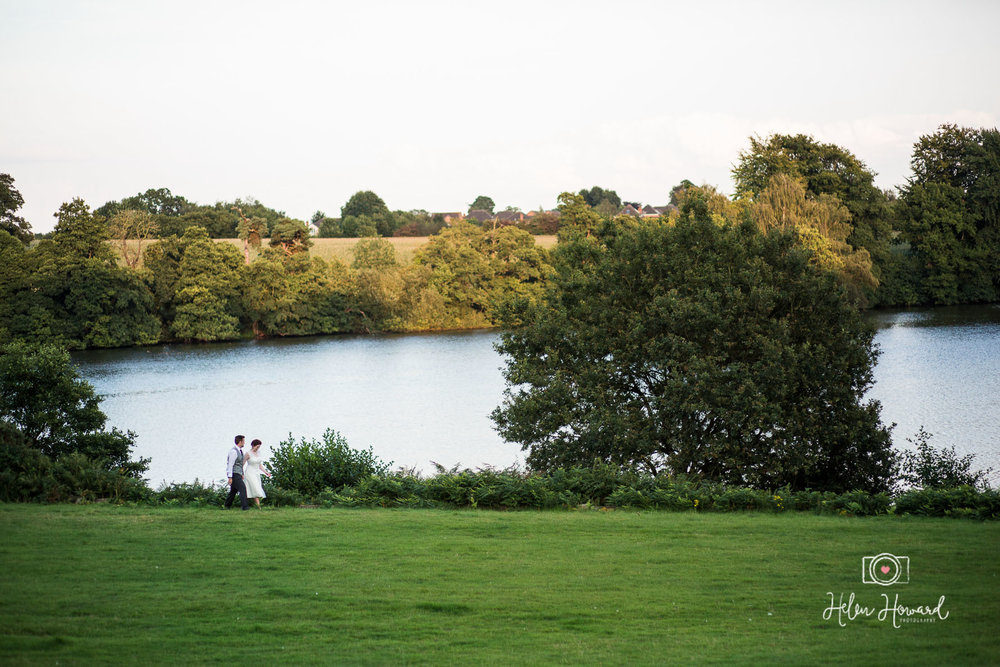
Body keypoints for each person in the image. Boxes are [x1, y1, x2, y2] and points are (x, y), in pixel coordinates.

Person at [243, 438, 272, 508]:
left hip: (256, 473)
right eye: (257, 447)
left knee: (256, 488)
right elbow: (242, 464)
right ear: (253, 445)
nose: (258, 448)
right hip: (250, 472)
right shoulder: (248, 453)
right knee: (255, 488)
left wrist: (266, 472)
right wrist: (242, 473)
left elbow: (259, 464)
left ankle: (256, 505)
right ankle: (258, 506)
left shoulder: (258, 453)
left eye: (259, 447)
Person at [224, 434, 249, 510]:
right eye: (243, 441)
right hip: (234, 474)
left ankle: (227, 506)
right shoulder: (234, 452)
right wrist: (230, 477)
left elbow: (240, 464)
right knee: (242, 489)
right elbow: (230, 465)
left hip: (238, 473)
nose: (244, 443)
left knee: (233, 491)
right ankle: (245, 507)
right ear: (240, 441)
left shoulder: (240, 451)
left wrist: (242, 473)